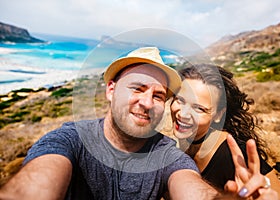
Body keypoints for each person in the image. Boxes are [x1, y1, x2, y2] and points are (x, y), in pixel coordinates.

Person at [0, 47, 219, 200]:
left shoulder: (167, 155)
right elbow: (38, 183)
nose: (147, 102)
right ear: (111, 90)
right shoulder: (71, 140)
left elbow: (189, 186)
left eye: (158, 96)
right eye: (137, 88)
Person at [170, 63, 280, 199]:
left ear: (218, 115)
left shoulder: (233, 154)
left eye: (199, 108)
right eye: (180, 100)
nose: (183, 114)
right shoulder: (187, 140)